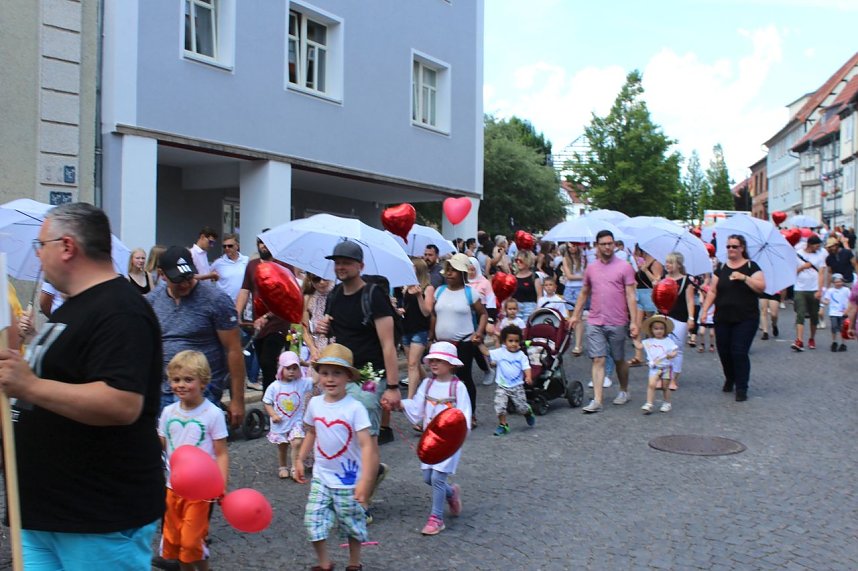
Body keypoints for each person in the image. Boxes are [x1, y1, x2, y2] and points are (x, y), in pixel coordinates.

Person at [0, 202, 164, 567]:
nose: (39, 256)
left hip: (96, 517)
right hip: (45, 513)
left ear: (67, 246)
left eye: (41, 245)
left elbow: (121, 403)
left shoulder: (120, 310)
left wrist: (28, 386)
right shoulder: (70, 308)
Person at [295, 344, 378, 571]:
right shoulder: (315, 403)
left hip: (348, 480)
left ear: (348, 377)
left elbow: (366, 445)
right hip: (322, 477)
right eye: (324, 373)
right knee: (312, 520)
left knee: (352, 524)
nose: (329, 379)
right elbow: (311, 432)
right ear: (318, 375)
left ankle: (354, 563)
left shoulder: (355, 408)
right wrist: (300, 459)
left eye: (337, 373)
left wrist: (365, 481)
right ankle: (324, 563)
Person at [315, 240, 402, 446]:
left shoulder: (373, 295)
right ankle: (356, 472)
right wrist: (324, 329)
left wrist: (392, 386)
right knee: (343, 427)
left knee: (364, 430)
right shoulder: (334, 294)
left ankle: (368, 472)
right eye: (337, 263)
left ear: (360, 266)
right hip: (344, 373)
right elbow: (335, 333)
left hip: (370, 376)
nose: (340, 267)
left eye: (346, 262)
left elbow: (388, 344)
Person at [148, 246, 246, 425]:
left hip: (202, 392)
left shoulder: (215, 300)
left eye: (188, 277)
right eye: (178, 280)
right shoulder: (153, 301)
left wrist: (237, 400)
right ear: (162, 275)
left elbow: (233, 350)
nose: (185, 284)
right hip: (165, 390)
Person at [157, 350, 228, 571]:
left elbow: (222, 453)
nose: (181, 385)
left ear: (203, 382)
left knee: (191, 541)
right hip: (173, 487)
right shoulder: (168, 412)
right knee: (177, 542)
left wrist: (221, 486)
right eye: (176, 380)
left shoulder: (213, 414)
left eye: (188, 380)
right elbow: (162, 444)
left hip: (201, 492)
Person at [400, 341, 471, 535]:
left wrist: (458, 436)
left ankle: (436, 518)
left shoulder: (458, 388)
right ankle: (451, 493)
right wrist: (401, 404)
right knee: (428, 478)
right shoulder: (427, 383)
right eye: (432, 360)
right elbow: (417, 407)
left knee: (438, 477)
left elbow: (464, 415)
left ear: (451, 364)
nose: (434, 364)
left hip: (449, 442)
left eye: (439, 360)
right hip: (430, 440)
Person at [568, 230, 639, 414]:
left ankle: (624, 390)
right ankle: (597, 400)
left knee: (618, 359)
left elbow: (631, 295)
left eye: (610, 243)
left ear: (614, 244)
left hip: (617, 320)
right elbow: (584, 292)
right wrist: (575, 315)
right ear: (597, 246)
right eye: (604, 244)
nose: (608, 247)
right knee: (598, 358)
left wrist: (634, 322)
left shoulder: (624, 267)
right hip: (595, 319)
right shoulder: (591, 268)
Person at [699, 234, 765, 401]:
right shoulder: (721, 268)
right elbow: (713, 290)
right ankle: (730, 377)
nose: (731, 249)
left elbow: (761, 287)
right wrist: (705, 310)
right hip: (723, 317)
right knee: (724, 352)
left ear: (742, 248)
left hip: (746, 317)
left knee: (739, 351)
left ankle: (742, 387)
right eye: (728, 246)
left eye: (734, 246)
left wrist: (744, 278)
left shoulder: (751, 266)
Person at [430, 253, 488, 423]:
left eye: (453, 270)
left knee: (464, 378)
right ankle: (441, 412)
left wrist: (479, 332)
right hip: (441, 345)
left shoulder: (471, 293)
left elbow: (483, 314)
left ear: (462, 274)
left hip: (463, 343)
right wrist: (431, 335)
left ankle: (470, 413)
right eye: (447, 270)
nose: (449, 273)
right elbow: (434, 314)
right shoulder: (439, 291)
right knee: (440, 379)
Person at [236, 236, 295, 393]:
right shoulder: (252, 266)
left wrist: (267, 316)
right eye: (260, 243)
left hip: (279, 322)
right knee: (264, 363)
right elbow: (244, 291)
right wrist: (237, 314)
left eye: (266, 243)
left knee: (267, 361)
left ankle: (269, 400)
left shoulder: (285, 267)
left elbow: (285, 297)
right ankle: (276, 393)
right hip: (257, 324)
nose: (263, 246)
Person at [262, 351, 314, 480]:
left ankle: (295, 467)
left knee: (296, 442)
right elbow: (267, 402)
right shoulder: (274, 387)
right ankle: (283, 466)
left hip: (296, 421)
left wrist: (308, 364)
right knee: (282, 447)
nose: (291, 371)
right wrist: (273, 414)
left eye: (295, 368)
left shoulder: (301, 383)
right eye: (288, 368)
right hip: (280, 422)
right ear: (281, 368)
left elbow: (316, 380)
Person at [482, 325, 535, 436]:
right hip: (502, 386)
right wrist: (478, 344)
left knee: (521, 408)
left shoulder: (521, 355)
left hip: (517, 386)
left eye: (516, 341)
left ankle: (527, 411)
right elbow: (487, 352)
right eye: (510, 341)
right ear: (504, 342)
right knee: (499, 406)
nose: (513, 344)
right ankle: (503, 425)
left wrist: (528, 376)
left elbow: (526, 367)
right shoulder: (500, 352)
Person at [401, 258, 435, 399]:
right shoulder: (406, 287)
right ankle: (429, 384)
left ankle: (410, 398)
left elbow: (427, 311)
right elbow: (409, 308)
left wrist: (419, 295)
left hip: (420, 329)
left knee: (413, 364)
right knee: (412, 362)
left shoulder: (428, 288)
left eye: (412, 268)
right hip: (406, 328)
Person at [662, 252, 696, 391]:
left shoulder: (686, 281)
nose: (667, 265)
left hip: (680, 317)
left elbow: (690, 301)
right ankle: (663, 376)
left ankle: (673, 378)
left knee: (677, 349)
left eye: (671, 262)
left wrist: (691, 318)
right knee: (663, 348)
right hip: (664, 316)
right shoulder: (663, 279)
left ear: (678, 265)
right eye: (667, 262)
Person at [628, 247, 663, 367]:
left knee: (651, 327)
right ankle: (638, 356)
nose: (635, 253)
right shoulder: (642, 261)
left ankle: (653, 355)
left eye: (636, 251)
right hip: (639, 294)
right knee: (636, 326)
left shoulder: (655, 262)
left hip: (649, 294)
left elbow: (657, 281)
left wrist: (646, 270)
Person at [791, 235, 826, 351]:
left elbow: (821, 273)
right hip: (800, 288)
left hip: (814, 288)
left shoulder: (820, 256)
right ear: (810, 245)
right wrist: (802, 267)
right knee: (800, 313)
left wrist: (820, 290)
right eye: (817, 245)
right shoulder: (797, 254)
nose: (818, 248)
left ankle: (811, 338)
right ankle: (799, 340)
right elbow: (792, 272)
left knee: (814, 315)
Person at [640, 315, 679, 414]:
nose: (659, 331)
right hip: (654, 367)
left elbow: (675, 350)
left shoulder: (668, 341)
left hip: (666, 367)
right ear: (651, 330)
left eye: (661, 328)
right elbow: (639, 346)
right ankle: (649, 404)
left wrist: (672, 355)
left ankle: (667, 402)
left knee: (665, 386)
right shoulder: (649, 342)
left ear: (665, 330)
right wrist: (635, 337)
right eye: (656, 329)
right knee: (651, 384)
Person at [561, 242, 586, 355]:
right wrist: (583, 276)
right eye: (569, 247)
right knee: (572, 318)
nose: (572, 249)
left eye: (574, 246)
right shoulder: (565, 259)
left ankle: (578, 345)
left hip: (580, 288)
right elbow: (569, 276)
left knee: (579, 317)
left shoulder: (583, 258)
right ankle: (574, 340)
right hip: (569, 289)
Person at [302, 272, 333, 362]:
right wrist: (312, 348)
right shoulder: (308, 298)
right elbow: (304, 329)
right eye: (316, 279)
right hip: (318, 350)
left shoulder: (339, 293)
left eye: (325, 278)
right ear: (310, 279)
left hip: (337, 347)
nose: (322, 282)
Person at [210, 233, 249, 302]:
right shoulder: (218, 263)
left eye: (230, 246)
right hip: (224, 304)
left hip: (243, 303)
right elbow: (207, 277)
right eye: (224, 246)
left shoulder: (246, 260)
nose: (227, 248)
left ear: (237, 246)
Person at [822, 273, 850, 351]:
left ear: (843, 281)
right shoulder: (830, 291)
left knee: (843, 329)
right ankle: (834, 342)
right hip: (833, 313)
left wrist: (847, 310)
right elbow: (826, 301)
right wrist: (821, 300)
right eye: (836, 282)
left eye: (840, 281)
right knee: (834, 327)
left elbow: (850, 300)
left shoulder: (846, 290)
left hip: (843, 313)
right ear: (833, 283)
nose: (838, 283)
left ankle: (843, 344)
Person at [512, 250, 542, 321]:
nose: (518, 263)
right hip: (516, 307)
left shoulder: (534, 276)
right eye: (517, 260)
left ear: (527, 261)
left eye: (521, 261)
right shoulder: (513, 277)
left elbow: (539, 295)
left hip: (530, 306)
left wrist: (538, 308)